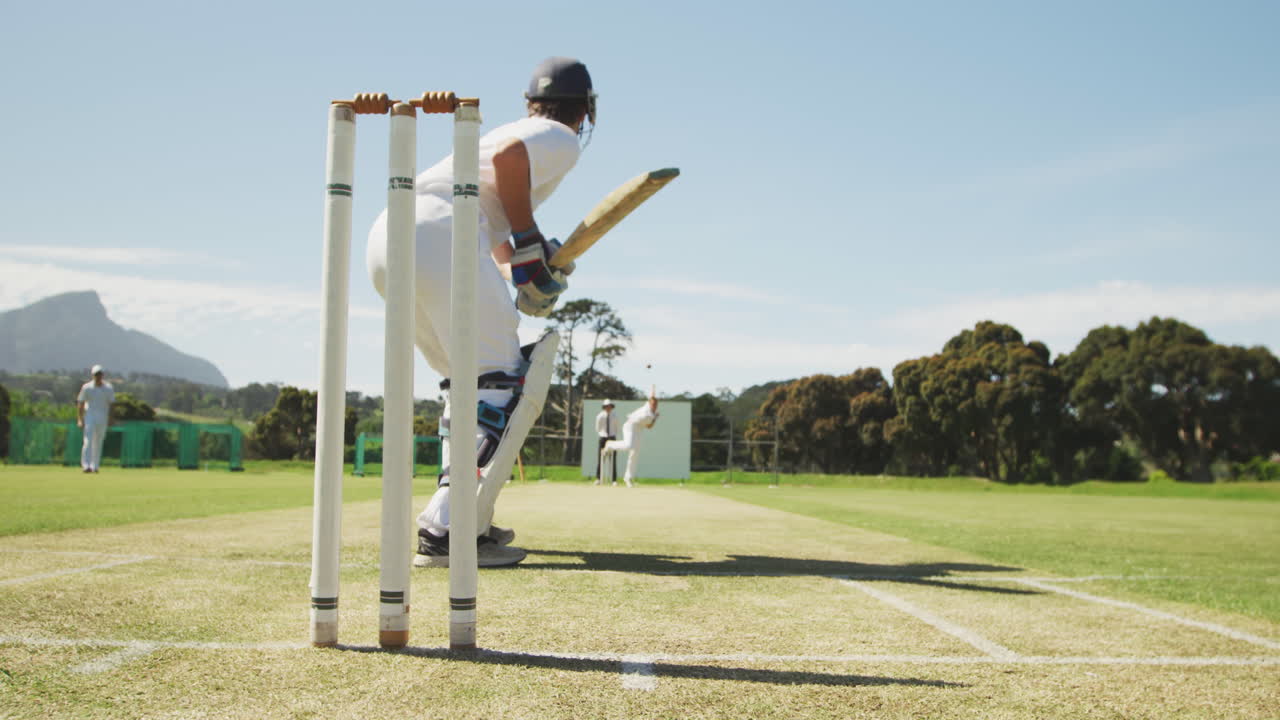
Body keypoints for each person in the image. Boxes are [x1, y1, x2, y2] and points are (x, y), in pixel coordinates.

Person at [366, 57, 597, 568]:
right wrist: (530, 239)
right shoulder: (557, 135)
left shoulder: (507, 126)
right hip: (443, 234)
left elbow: (489, 209)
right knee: (503, 382)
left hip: (391, 239)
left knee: (465, 382)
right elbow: (513, 163)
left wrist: (525, 267)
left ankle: (470, 516)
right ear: (585, 110)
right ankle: (448, 529)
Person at [600, 396, 660, 487]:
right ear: (649, 403)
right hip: (630, 426)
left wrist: (654, 417)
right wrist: (654, 417)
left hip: (639, 429)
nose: (654, 406)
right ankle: (610, 444)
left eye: (656, 404)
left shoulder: (651, 412)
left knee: (635, 453)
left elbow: (649, 426)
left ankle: (628, 478)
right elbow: (649, 426)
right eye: (653, 404)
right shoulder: (647, 413)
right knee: (629, 446)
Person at [76, 365, 115, 473]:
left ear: (102, 375)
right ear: (93, 375)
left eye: (99, 374)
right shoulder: (86, 387)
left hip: (103, 417)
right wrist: (80, 419)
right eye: (96, 374)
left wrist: (111, 418)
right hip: (90, 416)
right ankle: (86, 465)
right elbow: (81, 403)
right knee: (88, 441)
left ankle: (95, 466)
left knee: (98, 441)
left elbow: (112, 404)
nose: (98, 376)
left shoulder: (108, 388)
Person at [594, 399, 617, 485]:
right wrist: (602, 434)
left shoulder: (614, 415)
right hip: (603, 437)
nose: (608, 408)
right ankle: (598, 479)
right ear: (604, 407)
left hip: (612, 438)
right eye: (606, 406)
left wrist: (612, 435)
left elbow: (616, 426)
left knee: (613, 459)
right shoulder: (600, 416)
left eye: (609, 406)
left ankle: (614, 480)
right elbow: (597, 428)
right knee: (600, 458)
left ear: (611, 407)